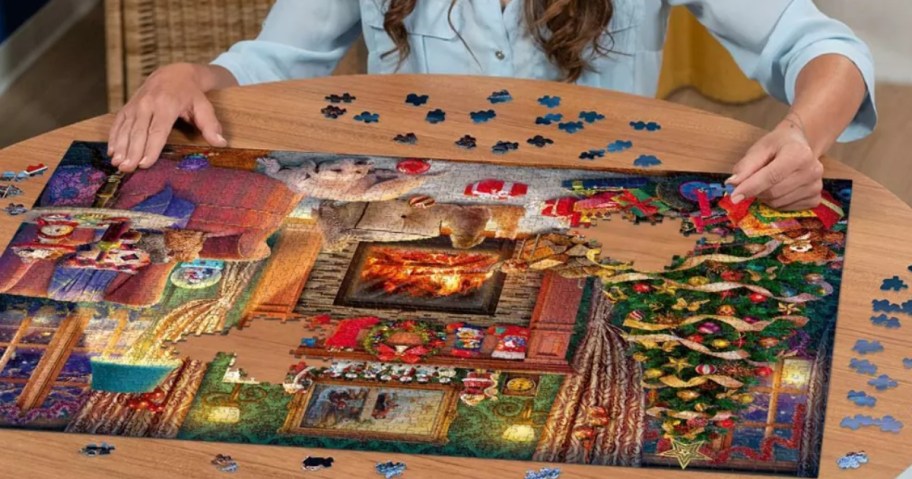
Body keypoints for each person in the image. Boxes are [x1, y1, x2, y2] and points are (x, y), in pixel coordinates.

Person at [108, 0, 875, 211]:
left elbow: (816, 46)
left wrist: (802, 132)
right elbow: (278, 63)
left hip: (595, 212)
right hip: (398, 208)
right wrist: (191, 74)